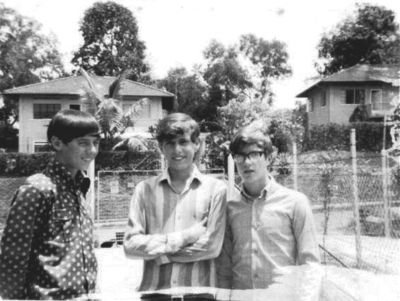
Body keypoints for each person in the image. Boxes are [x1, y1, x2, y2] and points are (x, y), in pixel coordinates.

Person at [123, 113, 227, 300]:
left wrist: (160, 255)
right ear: (162, 147)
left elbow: (212, 247)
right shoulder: (144, 190)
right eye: (170, 143)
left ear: (196, 145)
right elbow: (130, 245)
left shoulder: (216, 190)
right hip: (155, 295)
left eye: (184, 142)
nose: (177, 149)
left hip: (200, 296)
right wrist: (184, 237)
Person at [0, 109, 100, 300]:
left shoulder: (80, 187)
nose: (92, 150)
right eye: (83, 143)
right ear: (57, 143)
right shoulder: (38, 189)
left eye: (95, 143)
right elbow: (13, 258)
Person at [217, 124, 320, 290]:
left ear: (269, 157)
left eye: (254, 154)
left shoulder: (295, 203)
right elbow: (225, 268)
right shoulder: (230, 208)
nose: (246, 162)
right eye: (240, 156)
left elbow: (310, 265)